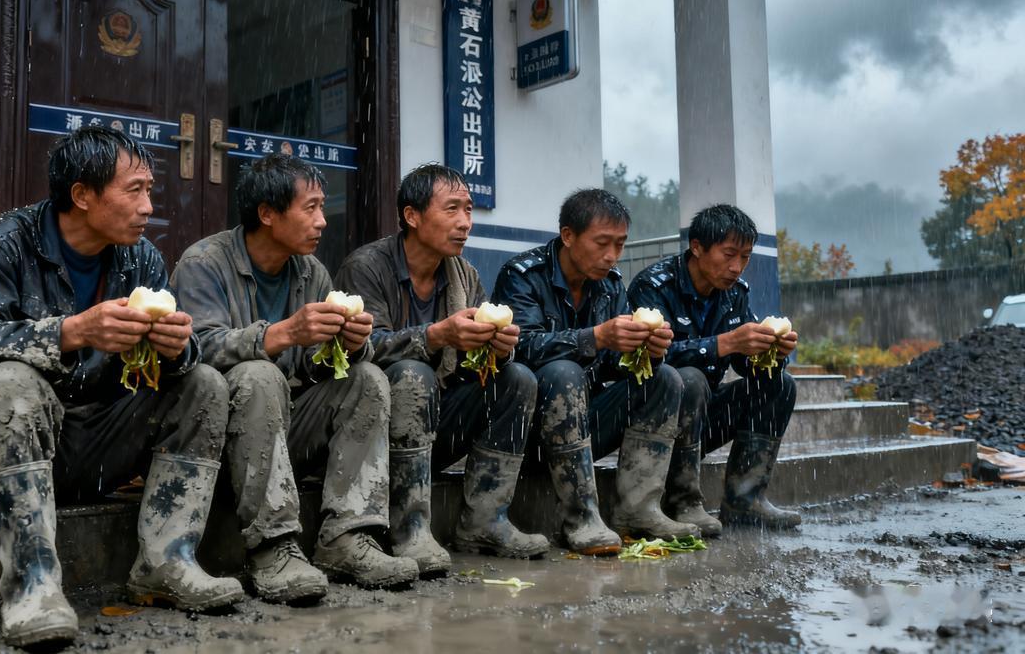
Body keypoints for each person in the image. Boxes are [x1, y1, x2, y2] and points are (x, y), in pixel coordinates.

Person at [0, 126, 242, 648]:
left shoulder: (141, 259)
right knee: (12, 384)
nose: (148, 206)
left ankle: (166, 561)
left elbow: (181, 362)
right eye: (134, 190)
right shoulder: (1, 243)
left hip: (84, 442)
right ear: (82, 195)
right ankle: (33, 588)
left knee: (202, 383)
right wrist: (71, 331)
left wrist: (180, 348)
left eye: (150, 191)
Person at [171, 153, 418, 600]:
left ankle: (347, 536)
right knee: (257, 375)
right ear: (267, 214)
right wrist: (283, 333)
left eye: (323, 207)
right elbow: (196, 349)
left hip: (284, 434)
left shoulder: (311, 271)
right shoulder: (204, 262)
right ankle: (274, 547)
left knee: (366, 377)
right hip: (220, 441)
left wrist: (347, 344)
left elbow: (312, 367)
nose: (323, 221)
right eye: (311, 208)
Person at [335, 163, 549, 570]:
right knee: (413, 373)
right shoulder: (367, 266)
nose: (465, 223)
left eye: (468, 210)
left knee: (517, 378)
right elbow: (359, 350)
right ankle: (409, 528)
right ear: (411, 216)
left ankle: (486, 520)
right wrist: (435, 336)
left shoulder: (464, 274)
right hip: (372, 436)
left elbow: (471, 367)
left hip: (436, 424)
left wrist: (495, 349)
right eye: (452, 209)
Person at [493, 188, 707, 543]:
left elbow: (612, 366)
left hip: (584, 423)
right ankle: (580, 517)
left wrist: (644, 351)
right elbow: (518, 349)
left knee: (665, 376)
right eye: (602, 243)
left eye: (620, 245)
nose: (612, 256)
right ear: (568, 236)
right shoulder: (523, 275)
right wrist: (595, 337)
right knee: (563, 371)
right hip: (526, 429)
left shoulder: (610, 286)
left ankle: (639, 510)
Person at [627, 204, 801, 529]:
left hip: (700, 419)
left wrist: (772, 355)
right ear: (696, 247)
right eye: (729, 254)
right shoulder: (653, 287)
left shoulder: (734, 294)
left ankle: (745, 501)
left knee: (781, 384)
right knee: (689, 378)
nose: (737, 267)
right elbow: (648, 360)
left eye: (745, 257)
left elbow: (748, 366)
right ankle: (683, 501)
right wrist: (725, 343)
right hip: (650, 425)